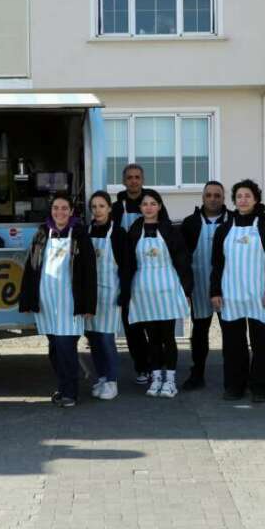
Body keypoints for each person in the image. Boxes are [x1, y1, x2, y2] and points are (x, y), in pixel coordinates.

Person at [19, 193, 97, 408]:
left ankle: (71, 393)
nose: (60, 212)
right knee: (54, 349)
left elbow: (90, 272)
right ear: (51, 211)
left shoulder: (80, 234)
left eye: (64, 208)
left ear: (71, 211)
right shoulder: (42, 233)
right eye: (56, 208)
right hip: (47, 303)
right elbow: (31, 266)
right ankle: (63, 387)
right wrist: (27, 300)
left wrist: (89, 305)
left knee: (66, 348)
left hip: (70, 303)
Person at [210, 179, 265, 402]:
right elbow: (217, 263)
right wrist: (215, 292)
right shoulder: (224, 228)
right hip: (231, 295)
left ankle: (260, 387)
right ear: (234, 201)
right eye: (239, 196)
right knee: (233, 345)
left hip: (259, 296)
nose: (243, 200)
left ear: (256, 199)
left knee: (262, 345)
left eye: (247, 196)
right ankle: (234, 386)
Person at [126, 189, 192, 399]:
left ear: (160, 206)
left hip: (167, 287)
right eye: (145, 204)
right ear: (140, 208)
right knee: (152, 337)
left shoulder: (169, 230)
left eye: (153, 203)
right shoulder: (135, 229)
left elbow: (182, 260)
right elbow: (128, 262)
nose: (149, 207)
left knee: (168, 337)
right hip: (144, 289)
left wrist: (186, 289)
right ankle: (156, 378)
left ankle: (170, 380)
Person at [109, 164, 169, 385]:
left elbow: (166, 233)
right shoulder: (116, 207)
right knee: (131, 324)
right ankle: (141, 367)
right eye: (129, 177)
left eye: (137, 177)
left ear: (142, 180)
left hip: (151, 270)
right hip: (124, 270)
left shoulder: (153, 202)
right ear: (124, 181)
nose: (133, 181)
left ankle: (158, 366)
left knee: (154, 323)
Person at [178, 181, 229, 390]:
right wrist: (185, 287)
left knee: (230, 332)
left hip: (227, 286)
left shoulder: (233, 220)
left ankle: (233, 375)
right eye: (209, 195)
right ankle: (197, 373)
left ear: (223, 198)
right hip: (199, 285)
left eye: (217, 195)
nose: (213, 199)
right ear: (203, 198)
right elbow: (182, 257)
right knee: (199, 332)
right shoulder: (190, 223)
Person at [84, 191, 133, 401]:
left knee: (106, 339)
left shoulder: (118, 234)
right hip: (89, 294)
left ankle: (112, 381)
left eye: (102, 206)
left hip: (110, 292)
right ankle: (102, 377)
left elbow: (127, 266)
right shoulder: (85, 232)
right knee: (92, 338)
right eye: (94, 207)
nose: (97, 210)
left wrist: (125, 293)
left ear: (109, 208)